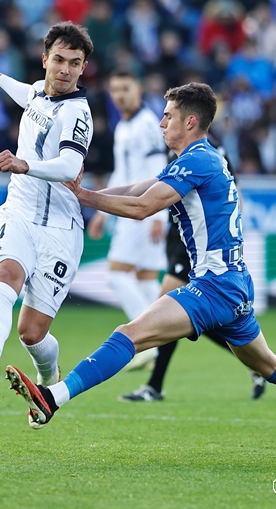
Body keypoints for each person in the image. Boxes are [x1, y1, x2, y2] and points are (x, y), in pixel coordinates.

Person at [5, 83, 276, 459]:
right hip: (234, 284)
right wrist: (85, 192)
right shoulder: (201, 157)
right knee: (268, 363)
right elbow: (142, 186)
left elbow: (143, 207)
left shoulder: (198, 160)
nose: (161, 123)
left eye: (168, 116)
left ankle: (53, 398)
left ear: (190, 121)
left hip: (215, 286)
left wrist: (87, 198)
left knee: (130, 334)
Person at [0, 22, 95, 392]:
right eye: (59, 60)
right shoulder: (39, 91)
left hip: (60, 229)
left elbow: (70, 165)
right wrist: (0, 78)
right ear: (44, 60)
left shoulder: (78, 114)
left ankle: (49, 378)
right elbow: (32, 98)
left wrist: (25, 165)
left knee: (32, 334)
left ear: (83, 67)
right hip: (19, 211)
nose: (65, 70)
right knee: (5, 276)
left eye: (74, 62)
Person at [119, 141, 266, 402]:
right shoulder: (173, 150)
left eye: (170, 115)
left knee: (167, 309)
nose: (164, 122)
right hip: (179, 239)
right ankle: (256, 363)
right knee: (193, 316)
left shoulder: (212, 152)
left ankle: (154, 386)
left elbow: (235, 197)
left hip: (199, 246)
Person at [86, 70, 167, 371]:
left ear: (138, 90)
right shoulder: (124, 127)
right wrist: (101, 211)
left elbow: (159, 169)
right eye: (115, 89)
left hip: (142, 212)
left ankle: (141, 342)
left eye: (125, 88)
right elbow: (122, 174)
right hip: (135, 210)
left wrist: (158, 215)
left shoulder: (146, 125)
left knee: (116, 275)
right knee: (146, 279)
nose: (119, 95)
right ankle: (157, 346)